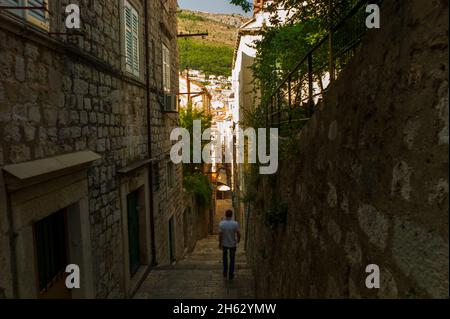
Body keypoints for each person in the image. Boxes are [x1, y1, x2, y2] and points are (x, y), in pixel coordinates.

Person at [218, 209, 241, 280]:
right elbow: (238, 233)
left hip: (224, 244)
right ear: (231, 215)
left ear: (225, 215)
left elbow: (220, 235)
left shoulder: (221, 223)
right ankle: (231, 274)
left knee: (224, 259)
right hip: (232, 244)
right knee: (232, 259)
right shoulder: (235, 223)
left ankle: (225, 272)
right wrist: (238, 240)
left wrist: (220, 243)